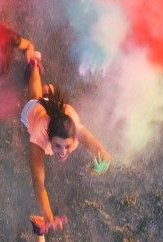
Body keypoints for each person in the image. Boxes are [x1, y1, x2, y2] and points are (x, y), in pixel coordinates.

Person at [20, 54, 110, 233]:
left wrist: (103, 162)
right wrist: (47, 215)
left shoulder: (75, 127)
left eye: (67, 146)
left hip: (61, 112)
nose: (62, 152)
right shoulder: (39, 136)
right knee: (33, 97)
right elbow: (38, 183)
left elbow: (102, 151)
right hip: (35, 113)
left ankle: (45, 90)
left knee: (42, 98)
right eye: (57, 146)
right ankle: (34, 66)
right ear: (49, 138)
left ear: (74, 138)